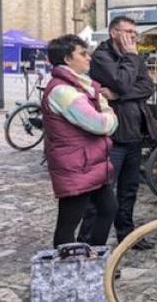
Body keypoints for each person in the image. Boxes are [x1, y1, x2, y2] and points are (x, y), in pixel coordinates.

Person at [78, 16, 157, 248]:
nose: (133, 36)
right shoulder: (102, 57)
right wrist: (130, 62)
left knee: (129, 190)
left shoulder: (132, 55)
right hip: (111, 138)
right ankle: (88, 244)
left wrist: (118, 94)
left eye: (135, 32)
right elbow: (123, 82)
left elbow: (147, 86)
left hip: (134, 134)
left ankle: (127, 235)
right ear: (114, 32)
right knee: (102, 194)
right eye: (128, 31)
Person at [42, 35, 118, 248]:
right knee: (69, 222)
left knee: (108, 209)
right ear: (67, 59)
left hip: (89, 164)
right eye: (82, 54)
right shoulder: (63, 91)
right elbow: (100, 123)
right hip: (76, 166)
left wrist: (105, 109)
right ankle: (66, 271)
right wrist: (110, 115)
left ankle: (92, 258)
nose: (89, 58)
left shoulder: (80, 86)